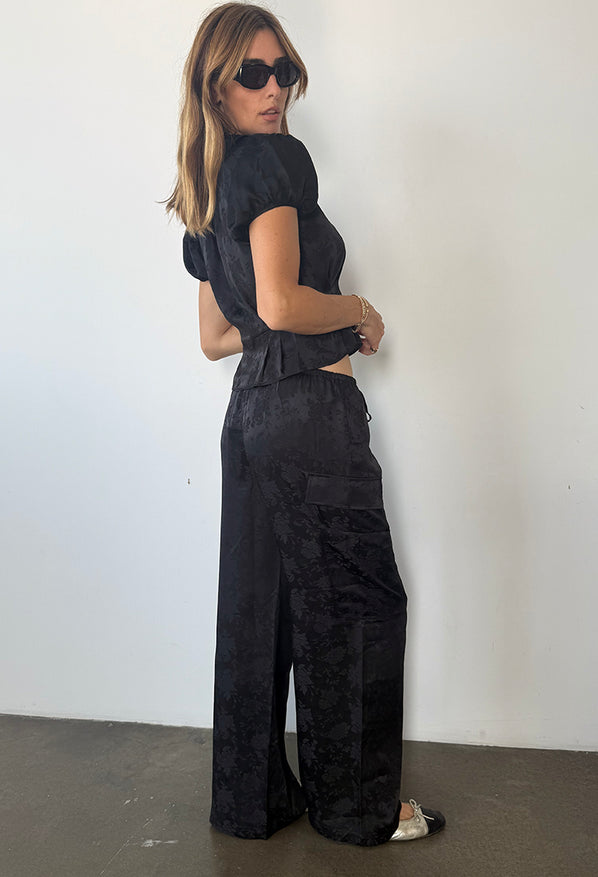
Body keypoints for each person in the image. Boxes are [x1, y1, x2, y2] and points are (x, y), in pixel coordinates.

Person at [165, 2, 445, 846]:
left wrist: (280, 325)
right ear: (216, 86)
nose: (275, 88)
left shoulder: (206, 187)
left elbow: (219, 337)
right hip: (310, 413)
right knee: (358, 603)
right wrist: (357, 308)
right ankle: (358, 806)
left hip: (248, 412)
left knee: (260, 610)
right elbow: (283, 302)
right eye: (253, 73)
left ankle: (251, 801)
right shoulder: (278, 164)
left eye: (283, 70)